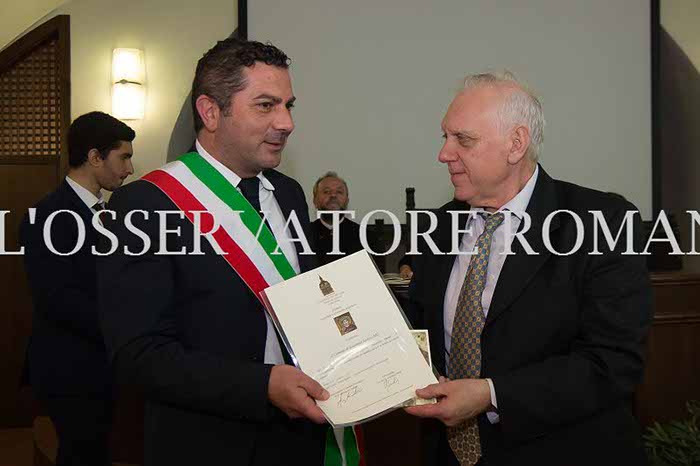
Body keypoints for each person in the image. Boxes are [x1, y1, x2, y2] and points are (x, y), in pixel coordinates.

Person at [98, 39, 329, 466]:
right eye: (266, 105)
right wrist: (261, 386)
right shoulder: (145, 205)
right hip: (207, 442)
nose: (287, 123)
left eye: (288, 106)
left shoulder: (290, 194)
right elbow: (138, 355)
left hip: (300, 437)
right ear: (210, 112)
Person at [404, 72, 652, 465]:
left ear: (516, 144)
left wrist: (491, 394)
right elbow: (418, 330)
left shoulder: (603, 221)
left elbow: (613, 363)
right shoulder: (438, 227)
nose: (444, 154)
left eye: (463, 140)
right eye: (445, 137)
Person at [20, 111, 135, 466]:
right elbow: (58, 300)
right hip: (69, 367)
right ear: (95, 157)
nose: (130, 169)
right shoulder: (47, 216)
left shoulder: (112, 213)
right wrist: (126, 329)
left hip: (101, 364)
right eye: (124, 157)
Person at [311, 171, 364, 265]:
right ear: (315, 201)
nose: (333, 195)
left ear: (347, 201)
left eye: (339, 192)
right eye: (326, 192)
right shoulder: (303, 236)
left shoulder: (365, 237)